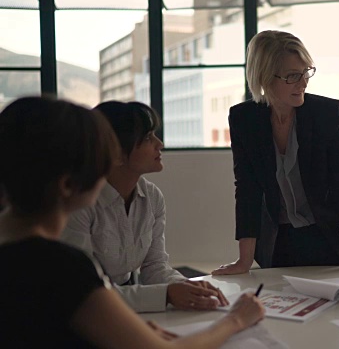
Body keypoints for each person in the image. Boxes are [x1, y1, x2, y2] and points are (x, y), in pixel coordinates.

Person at [0, 96, 265, 348]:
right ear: (68, 184)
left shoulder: (21, 247)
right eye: (97, 159)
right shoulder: (62, 266)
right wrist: (236, 319)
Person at [212, 30, 339, 275]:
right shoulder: (244, 118)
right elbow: (247, 190)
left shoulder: (327, 113)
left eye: (306, 72)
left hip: (331, 236)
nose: (303, 83)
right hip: (278, 242)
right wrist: (243, 261)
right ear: (265, 77)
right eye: (292, 76)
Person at [61, 101, 228, 313]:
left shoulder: (152, 197)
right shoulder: (80, 205)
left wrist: (185, 286)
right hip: (83, 313)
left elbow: (154, 267)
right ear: (116, 154)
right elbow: (85, 293)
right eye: (148, 138)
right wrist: (167, 294)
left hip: (124, 302)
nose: (160, 144)